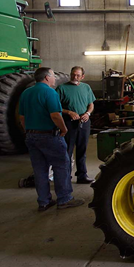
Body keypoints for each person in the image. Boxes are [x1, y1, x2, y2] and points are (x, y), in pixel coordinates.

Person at [19, 67, 85, 211]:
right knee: (61, 165)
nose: (55, 79)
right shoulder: (50, 92)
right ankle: (64, 199)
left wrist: (29, 131)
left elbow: (22, 117)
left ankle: (43, 202)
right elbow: (55, 115)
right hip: (49, 136)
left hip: (31, 136)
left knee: (40, 170)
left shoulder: (26, 93)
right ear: (47, 77)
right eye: (53, 76)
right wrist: (64, 129)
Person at [56, 66, 96, 184]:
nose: (75, 77)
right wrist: (69, 112)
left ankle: (82, 176)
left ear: (82, 76)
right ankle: (66, 177)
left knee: (82, 150)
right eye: (73, 74)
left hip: (84, 122)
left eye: (78, 75)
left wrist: (87, 113)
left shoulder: (86, 87)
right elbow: (56, 107)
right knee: (67, 151)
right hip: (68, 123)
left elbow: (91, 104)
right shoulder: (61, 88)